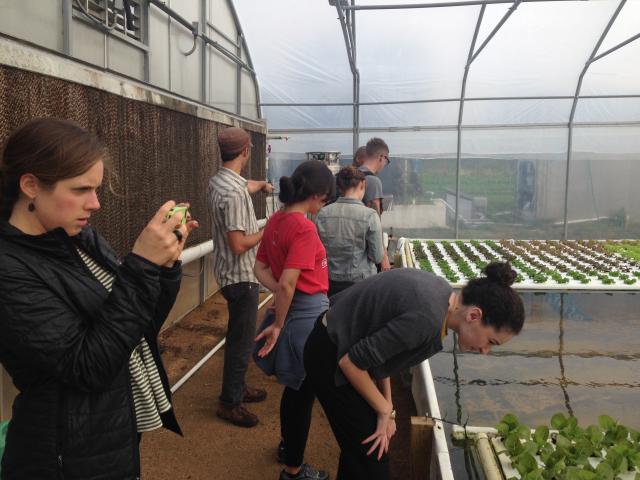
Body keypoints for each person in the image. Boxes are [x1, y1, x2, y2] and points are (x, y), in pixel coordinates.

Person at [0, 118, 199, 479]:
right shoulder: (9, 266)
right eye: (80, 190)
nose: (94, 204)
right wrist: (141, 266)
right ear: (30, 185)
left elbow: (138, 327)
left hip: (111, 429)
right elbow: (88, 366)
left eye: (96, 189)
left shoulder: (77, 237)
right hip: (63, 455)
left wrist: (164, 266)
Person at [303, 262, 525, 480]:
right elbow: (351, 363)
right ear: (474, 316)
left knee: (362, 451)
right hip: (329, 353)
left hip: (342, 345)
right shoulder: (426, 320)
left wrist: (387, 410)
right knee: (372, 459)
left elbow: (382, 357)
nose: (485, 351)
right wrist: (383, 409)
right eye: (491, 341)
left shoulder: (443, 295)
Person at [253, 160, 335, 480]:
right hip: (306, 316)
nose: (323, 206)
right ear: (317, 195)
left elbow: (260, 270)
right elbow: (288, 283)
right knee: (303, 393)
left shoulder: (277, 219)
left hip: (295, 308)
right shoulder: (303, 226)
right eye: (325, 199)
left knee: (294, 389)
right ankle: (293, 470)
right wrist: (279, 321)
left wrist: (284, 296)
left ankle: (289, 449)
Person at [207, 126, 273, 428]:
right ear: (245, 151)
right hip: (241, 276)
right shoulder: (233, 194)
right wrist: (267, 230)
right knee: (240, 341)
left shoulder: (219, 182)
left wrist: (260, 185)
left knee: (240, 337)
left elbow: (242, 186)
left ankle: (238, 387)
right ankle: (229, 403)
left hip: (226, 272)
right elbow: (238, 244)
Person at [316, 166, 384, 297]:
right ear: (363, 184)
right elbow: (377, 256)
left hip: (329, 281)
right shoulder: (369, 215)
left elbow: (318, 251)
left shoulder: (323, 213)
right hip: (361, 283)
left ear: (340, 187)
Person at [358, 137, 391, 271]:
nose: (384, 164)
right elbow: (376, 223)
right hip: (365, 253)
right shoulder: (372, 181)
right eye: (386, 161)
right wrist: (384, 259)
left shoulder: (352, 176)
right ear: (381, 157)